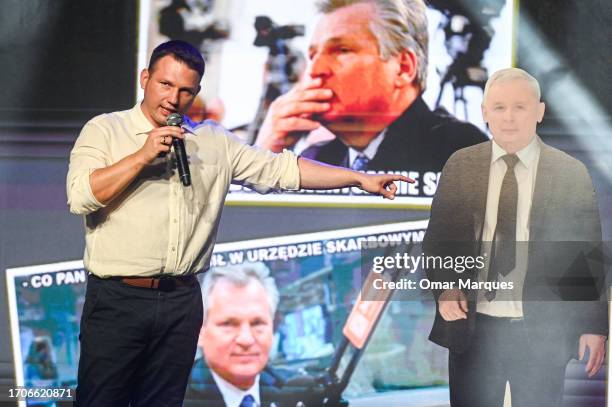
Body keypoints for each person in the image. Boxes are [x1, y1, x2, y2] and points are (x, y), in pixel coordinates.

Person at [66, 40, 410, 407]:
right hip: (119, 298)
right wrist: (142, 155)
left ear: (195, 93)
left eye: (185, 90)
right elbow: (81, 196)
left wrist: (357, 178)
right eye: (165, 85)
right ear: (145, 78)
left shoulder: (212, 141)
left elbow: (282, 170)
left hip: (181, 301)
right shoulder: (105, 130)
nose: (173, 98)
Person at [423, 68, 607, 406]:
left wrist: (593, 325)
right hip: (473, 331)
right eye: (499, 107)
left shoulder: (570, 173)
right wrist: (447, 286)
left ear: (539, 112)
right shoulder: (461, 166)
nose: (509, 118)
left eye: (520, 107)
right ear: (484, 113)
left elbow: (586, 255)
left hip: (541, 331)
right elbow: (439, 240)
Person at [255, 0, 487, 197]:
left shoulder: (461, 151)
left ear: (403, 68)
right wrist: (263, 160)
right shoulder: (315, 157)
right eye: (314, 55)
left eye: (341, 50)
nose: (314, 70)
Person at [184, 264, 286, 407]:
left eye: (257, 323)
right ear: (200, 331)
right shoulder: (172, 397)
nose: (246, 340)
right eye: (228, 324)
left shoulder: (293, 393)